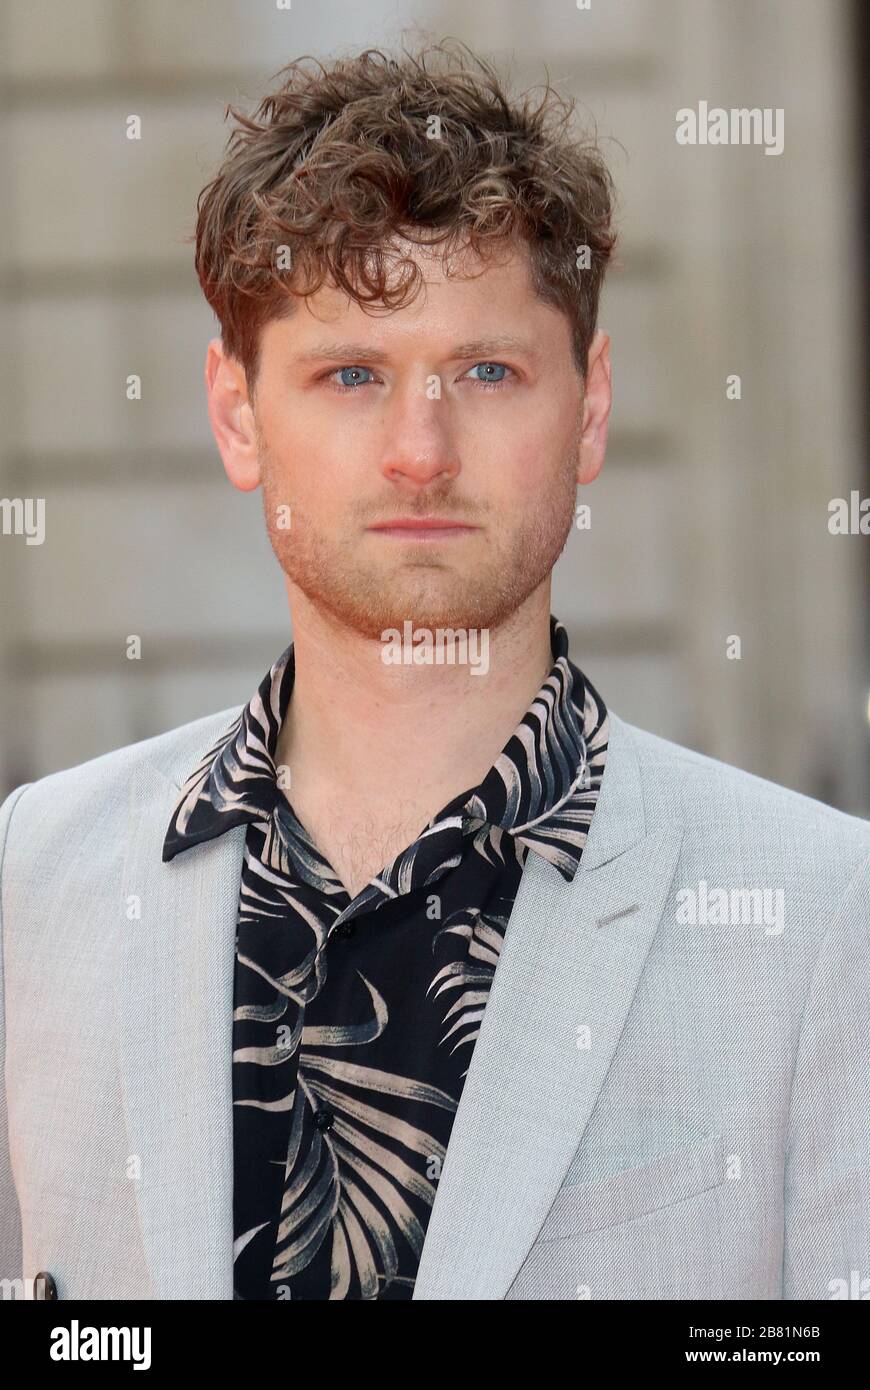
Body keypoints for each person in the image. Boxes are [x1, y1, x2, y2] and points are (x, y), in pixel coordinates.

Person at [1, 40, 867, 1302]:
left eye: (487, 372)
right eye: (351, 374)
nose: (421, 449)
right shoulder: (31, 883)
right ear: (238, 414)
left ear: (591, 406)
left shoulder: (825, 915)